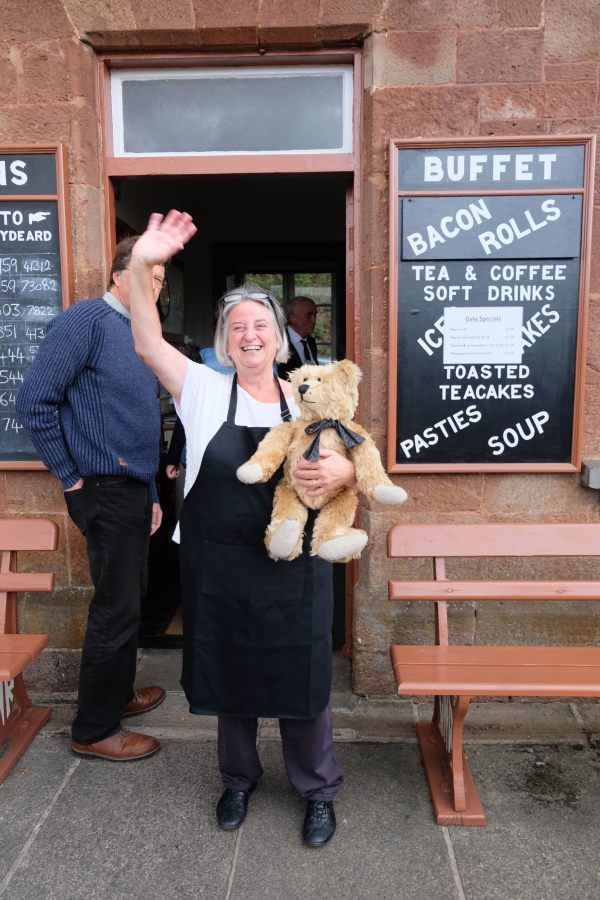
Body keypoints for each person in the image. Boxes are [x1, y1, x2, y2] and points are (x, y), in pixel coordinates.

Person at [127, 211, 356, 848]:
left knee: (305, 679)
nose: (249, 335)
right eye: (237, 327)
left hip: (295, 565)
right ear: (226, 343)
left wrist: (340, 474)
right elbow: (146, 343)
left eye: (261, 324)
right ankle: (237, 779)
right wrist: (146, 263)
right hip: (222, 563)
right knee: (231, 676)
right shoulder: (200, 390)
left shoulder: (310, 395)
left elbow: (355, 460)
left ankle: (317, 789)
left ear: (280, 338)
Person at [16, 237, 167, 762]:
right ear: (119, 276)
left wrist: (149, 491)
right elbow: (33, 402)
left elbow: (141, 423)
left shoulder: (138, 333)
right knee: (115, 608)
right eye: (149, 273)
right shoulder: (86, 322)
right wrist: (71, 479)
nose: (155, 285)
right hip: (101, 488)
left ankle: (118, 696)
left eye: (162, 278)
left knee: (130, 599)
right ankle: (95, 728)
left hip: (131, 490)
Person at [278, 295, 319, 379]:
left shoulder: (310, 342)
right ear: (292, 318)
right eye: (308, 316)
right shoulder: (279, 343)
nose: (314, 320)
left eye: (315, 315)